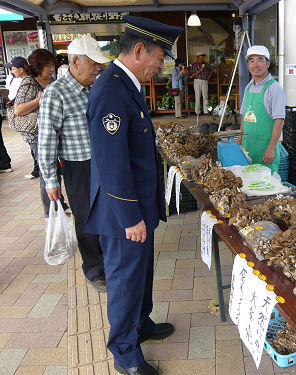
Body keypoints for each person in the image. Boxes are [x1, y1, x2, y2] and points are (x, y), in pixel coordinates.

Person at [86, 15, 182, 375]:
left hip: (136, 206)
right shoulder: (111, 89)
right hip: (121, 213)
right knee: (125, 281)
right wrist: (131, 217)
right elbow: (112, 164)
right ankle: (125, 353)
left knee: (140, 273)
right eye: (159, 60)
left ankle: (141, 324)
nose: (160, 68)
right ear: (140, 49)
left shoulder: (125, 84)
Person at [38, 35, 109, 292]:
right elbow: (47, 140)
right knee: (87, 218)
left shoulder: (94, 87)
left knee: (106, 214)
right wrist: (50, 181)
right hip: (78, 166)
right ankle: (94, 270)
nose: (98, 68)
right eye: (93, 63)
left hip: (102, 163)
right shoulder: (55, 93)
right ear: (76, 62)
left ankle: (108, 261)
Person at [13, 49, 68, 216]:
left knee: (56, 170)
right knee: (47, 171)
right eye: (48, 66)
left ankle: (59, 203)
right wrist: (38, 100)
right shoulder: (29, 83)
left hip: (51, 131)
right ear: (38, 66)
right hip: (36, 134)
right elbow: (18, 110)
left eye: (52, 65)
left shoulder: (50, 80)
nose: (51, 69)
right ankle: (50, 211)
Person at [237, 45, 285, 174]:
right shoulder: (248, 87)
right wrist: (240, 140)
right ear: (248, 65)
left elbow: (279, 121)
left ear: (268, 64)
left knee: (265, 186)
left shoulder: (274, 88)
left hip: (265, 150)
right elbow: (244, 116)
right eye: (251, 61)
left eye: (260, 60)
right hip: (248, 148)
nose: (255, 64)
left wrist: (271, 148)